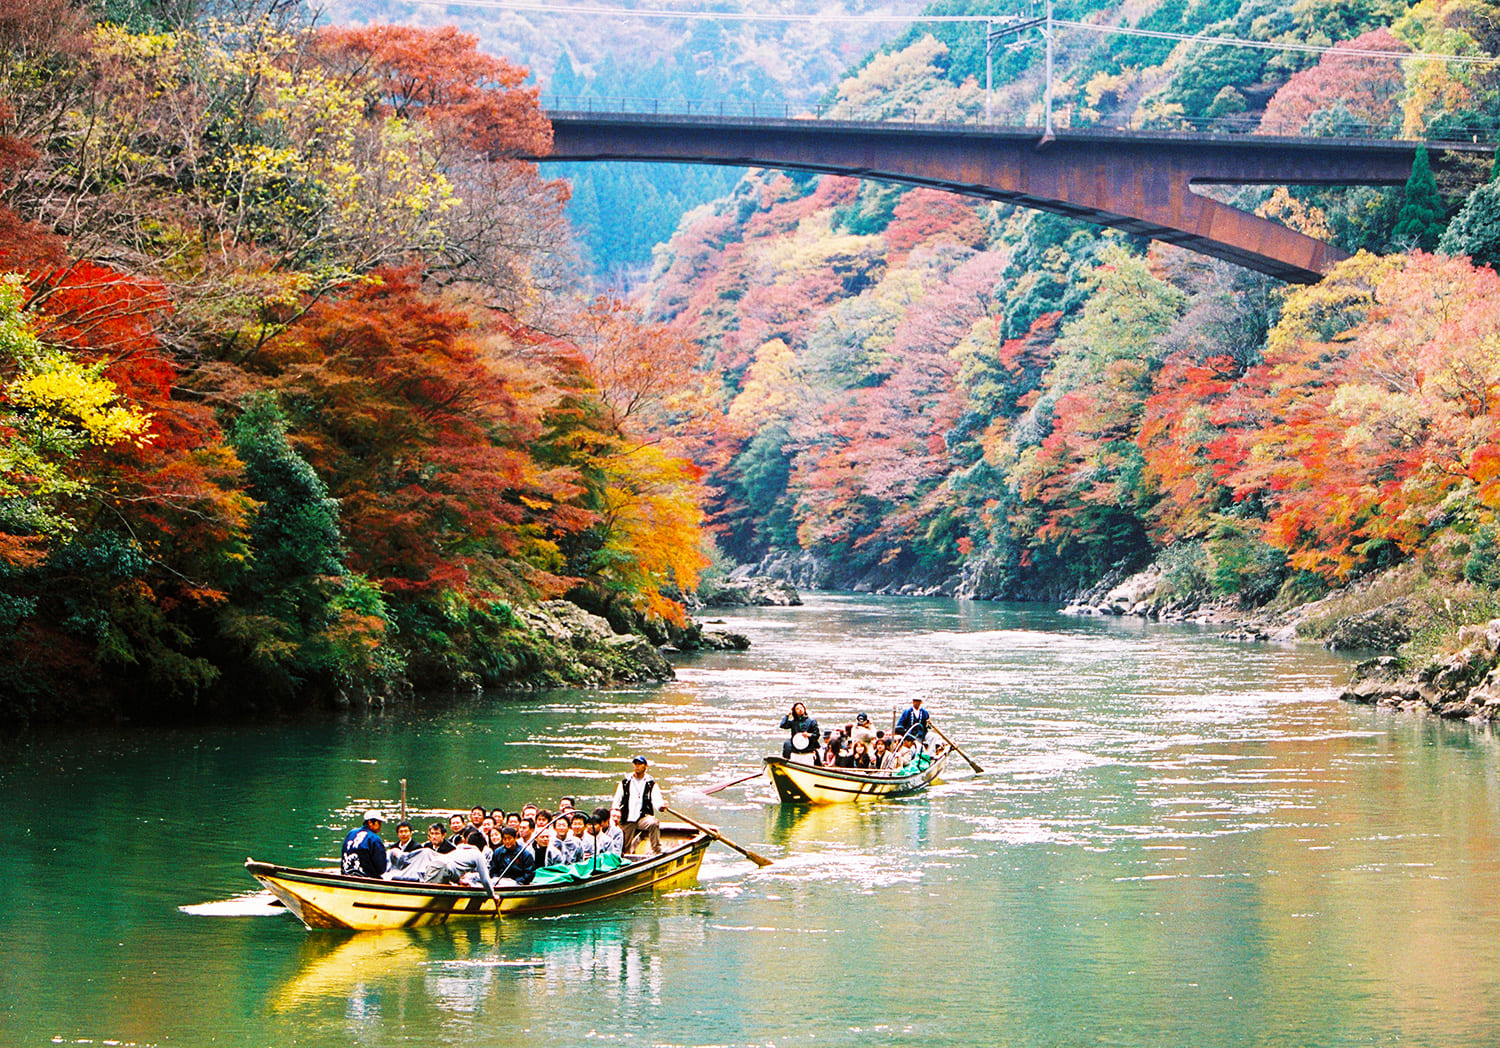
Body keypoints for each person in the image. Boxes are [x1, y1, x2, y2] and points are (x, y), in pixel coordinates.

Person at [611, 755, 668, 855]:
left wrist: (661, 806)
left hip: (643, 818)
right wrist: (615, 813)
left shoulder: (651, 784)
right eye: (635, 764)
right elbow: (617, 801)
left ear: (645, 766)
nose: (637, 766)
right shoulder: (625, 783)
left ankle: (657, 850)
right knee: (624, 848)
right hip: (627, 818)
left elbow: (657, 801)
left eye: (640, 764)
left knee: (653, 823)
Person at [341, 810, 387, 878]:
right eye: (379, 823)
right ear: (370, 822)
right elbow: (381, 868)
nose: (380, 826)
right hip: (366, 878)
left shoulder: (351, 833)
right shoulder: (374, 838)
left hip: (346, 874)